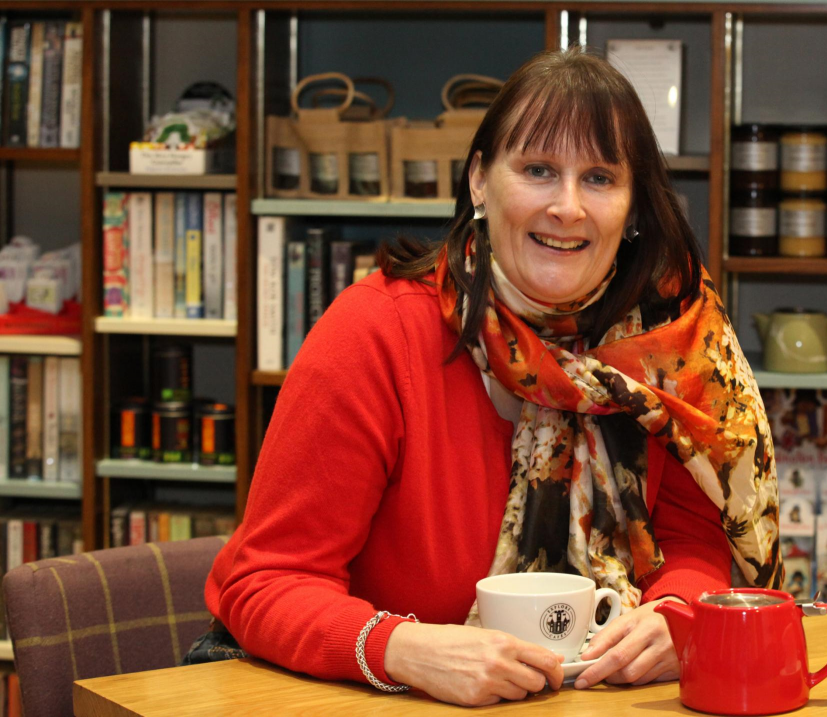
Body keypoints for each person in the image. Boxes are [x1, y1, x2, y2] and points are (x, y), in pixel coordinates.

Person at [196, 47, 781, 707]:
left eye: (598, 177)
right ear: (480, 180)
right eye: (537, 169)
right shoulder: (374, 333)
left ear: (634, 204)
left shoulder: (676, 348)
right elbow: (264, 581)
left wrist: (679, 613)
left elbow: (695, 538)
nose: (567, 207)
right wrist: (401, 647)